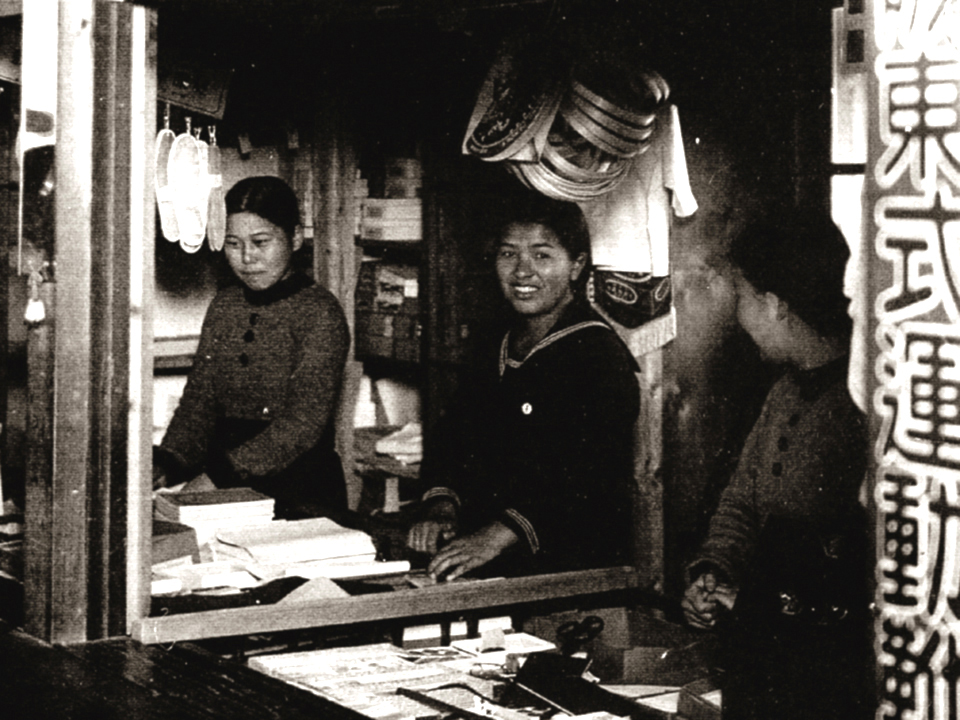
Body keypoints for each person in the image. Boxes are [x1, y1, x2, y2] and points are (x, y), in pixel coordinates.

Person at [681, 208, 871, 719]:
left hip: (825, 672)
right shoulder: (783, 392)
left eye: (742, 297)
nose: (738, 314)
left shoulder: (862, 402)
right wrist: (713, 570)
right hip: (765, 651)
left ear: (773, 305)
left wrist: (755, 601)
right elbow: (742, 503)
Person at [406, 196, 640, 581]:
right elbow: (454, 435)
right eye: (508, 254)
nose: (522, 271)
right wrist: (442, 505)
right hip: (480, 550)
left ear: (576, 266)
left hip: (566, 564)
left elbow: (583, 477)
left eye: (542, 255)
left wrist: (498, 536)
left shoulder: (598, 356)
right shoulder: (493, 341)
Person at [154, 176, 350, 519]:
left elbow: (301, 426)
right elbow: (199, 402)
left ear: (295, 238)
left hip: (299, 488)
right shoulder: (224, 306)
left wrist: (218, 478)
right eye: (233, 244)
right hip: (223, 475)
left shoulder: (321, 312)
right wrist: (167, 461)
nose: (247, 258)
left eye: (261, 242)